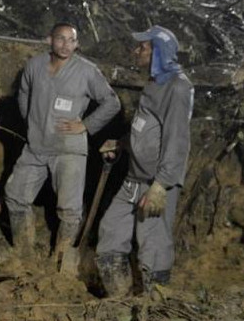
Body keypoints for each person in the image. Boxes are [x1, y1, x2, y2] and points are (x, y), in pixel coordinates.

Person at [4, 22, 121, 273]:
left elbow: (111, 102)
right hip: (36, 147)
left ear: (77, 44)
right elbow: (24, 94)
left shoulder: (87, 71)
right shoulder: (34, 66)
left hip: (69, 149)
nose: (66, 45)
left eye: (71, 40)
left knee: (69, 209)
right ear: (50, 40)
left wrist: (86, 125)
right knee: (15, 195)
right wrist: (33, 123)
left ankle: (59, 262)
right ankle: (24, 256)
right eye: (61, 39)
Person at [95, 25, 193, 297]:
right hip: (134, 177)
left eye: (143, 47)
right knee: (111, 232)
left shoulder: (177, 87)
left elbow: (177, 140)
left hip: (155, 182)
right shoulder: (154, 81)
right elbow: (147, 126)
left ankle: (156, 306)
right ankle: (121, 301)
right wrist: (122, 143)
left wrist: (161, 186)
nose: (136, 51)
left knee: (153, 244)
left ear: (159, 52)